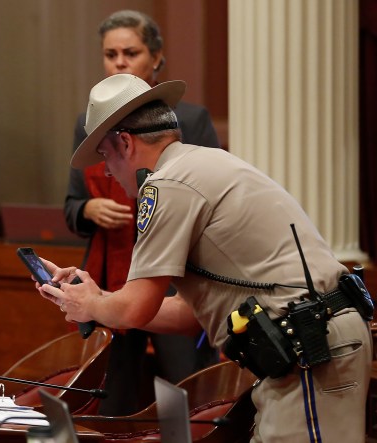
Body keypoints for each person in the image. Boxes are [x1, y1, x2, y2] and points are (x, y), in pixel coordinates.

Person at [39, 73, 372, 442]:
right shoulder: (199, 164)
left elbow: (135, 309)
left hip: (309, 346)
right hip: (308, 340)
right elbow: (187, 314)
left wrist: (92, 305)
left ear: (125, 143)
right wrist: (97, 298)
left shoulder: (166, 184)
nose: (106, 171)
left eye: (104, 156)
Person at [63, 9, 220, 415]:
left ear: (155, 58)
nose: (119, 62)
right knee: (108, 395)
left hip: (173, 280)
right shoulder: (89, 122)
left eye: (129, 53)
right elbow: (71, 206)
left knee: (184, 391)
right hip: (110, 270)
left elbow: (203, 200)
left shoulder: (189, 119)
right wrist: (89, 208)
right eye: (110, 54)